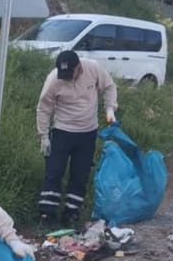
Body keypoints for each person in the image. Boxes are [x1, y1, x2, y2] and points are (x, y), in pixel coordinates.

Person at [36, 50, 118, 228]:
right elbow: (44, 107)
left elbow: (110, 87)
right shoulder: (54, 79)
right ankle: (47, 215)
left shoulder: (93, 69)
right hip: (62, 131)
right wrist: (43, 135)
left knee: (80, 174)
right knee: (54, 172)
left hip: (88, 132)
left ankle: (71, 213)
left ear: (78, 68)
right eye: (62, 74)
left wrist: (110, 109)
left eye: (69, 73)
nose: (65, 77)